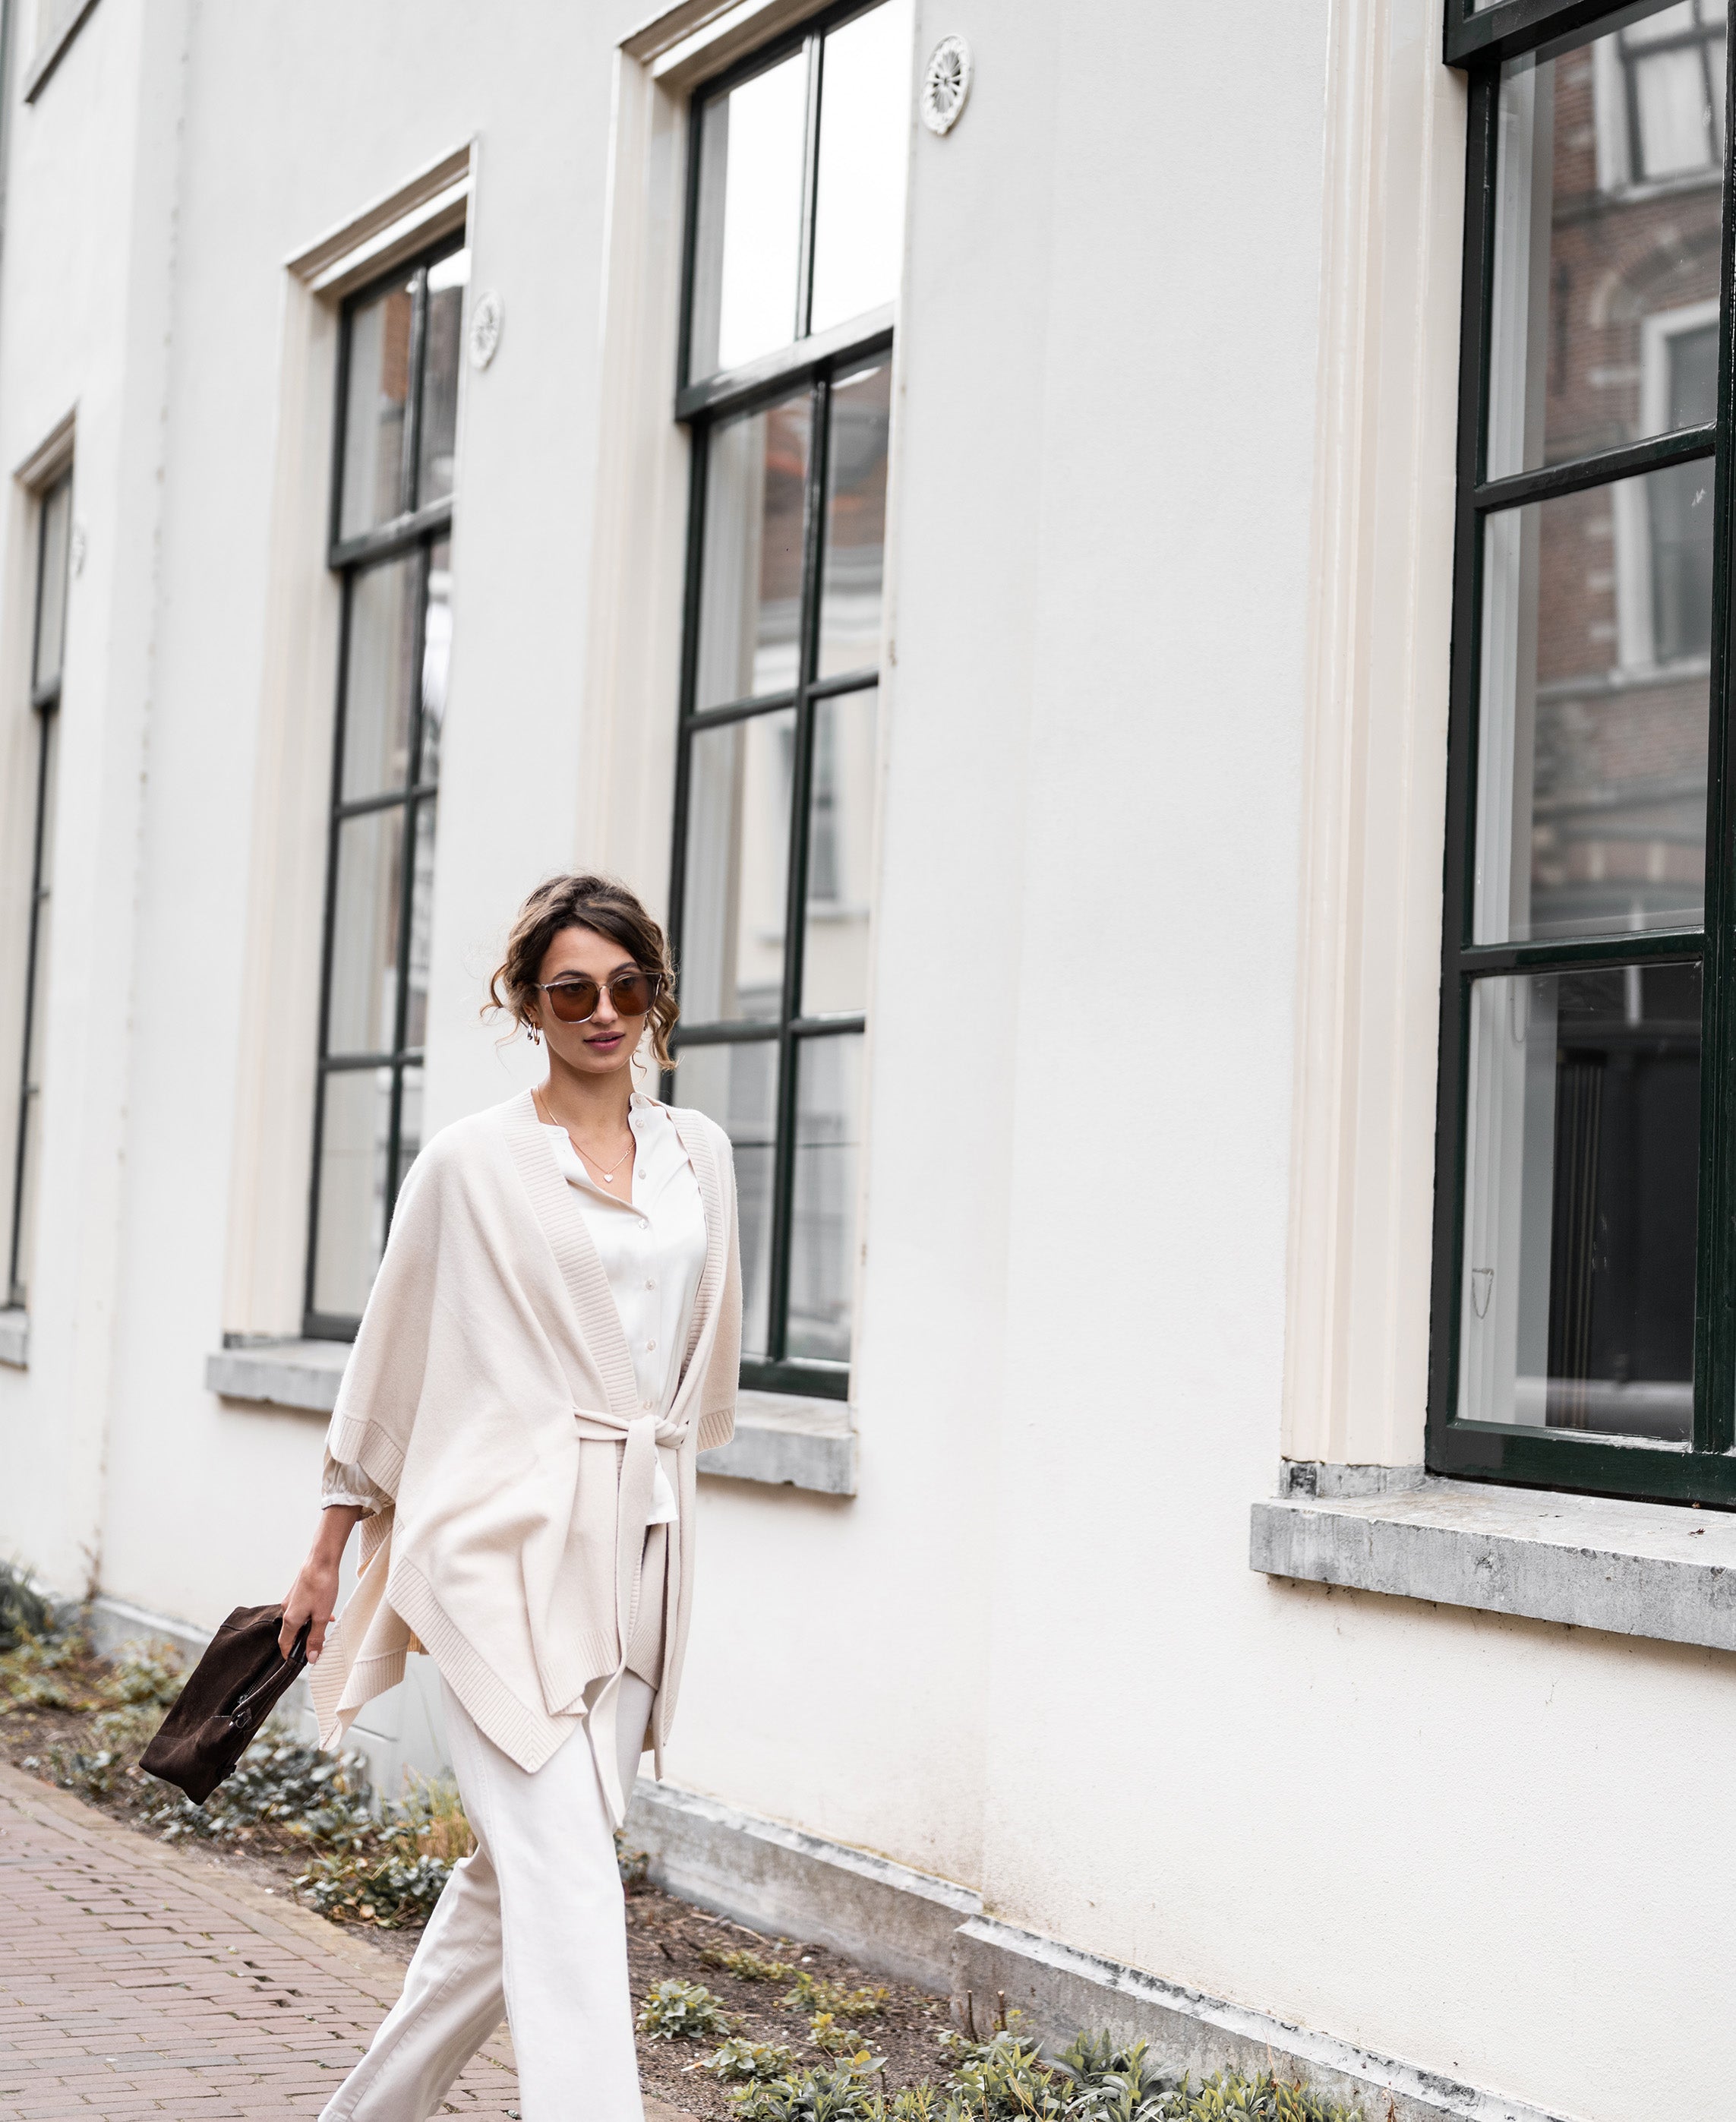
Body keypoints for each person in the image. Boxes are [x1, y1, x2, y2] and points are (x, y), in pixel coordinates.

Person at [279, 872, 742, 2122]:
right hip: (493, 1549)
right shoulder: (471, 1163)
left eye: (628, 986)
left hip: (634, 1554)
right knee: (569, 1878)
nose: (605, 1012)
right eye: (573, 990)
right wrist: (327, 1551)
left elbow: (698, 1373)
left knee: (521, 1880)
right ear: (527, 1004)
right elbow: (390, 1355)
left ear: (656, 994)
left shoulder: (700, 1153)